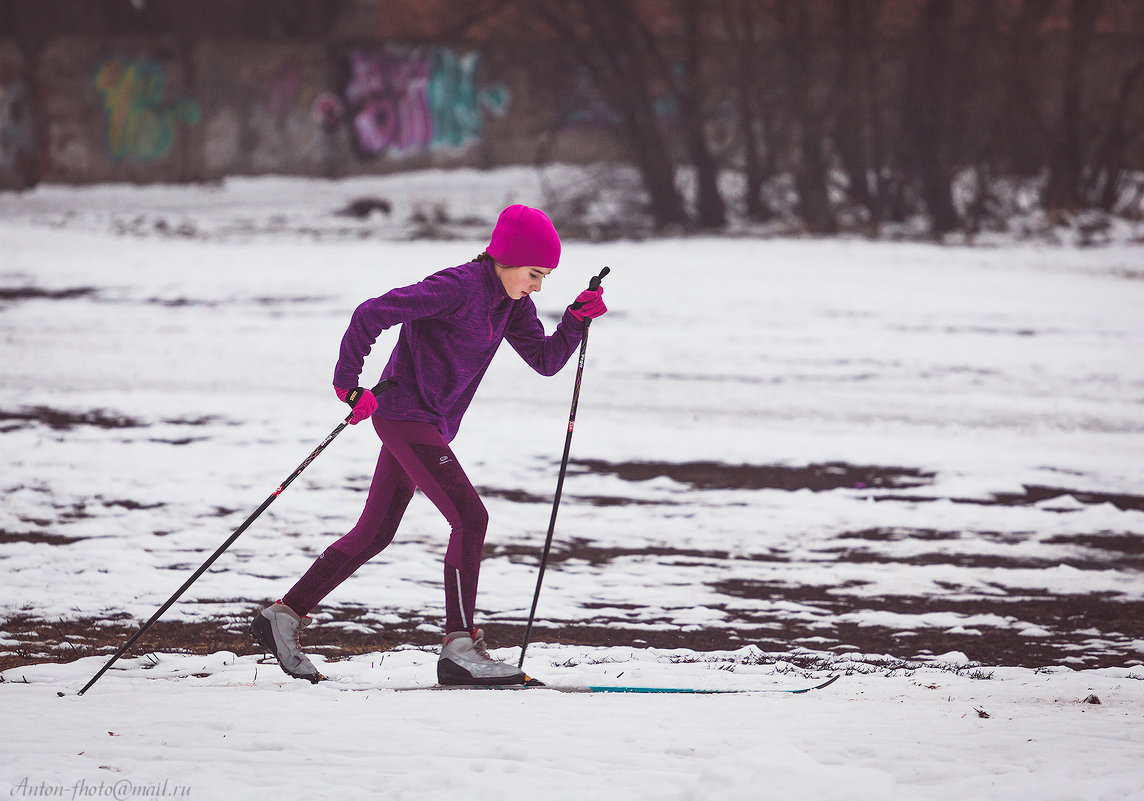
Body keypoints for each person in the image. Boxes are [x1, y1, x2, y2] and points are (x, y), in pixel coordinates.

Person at [251, 205, 607, 685]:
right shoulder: (457, 287)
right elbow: (372, 312)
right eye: (535, 274)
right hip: (403, 416)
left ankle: (284, 615)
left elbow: (544, 361)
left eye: (545, 278)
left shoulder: (511, 305)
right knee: (470, 517)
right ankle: (459, 647)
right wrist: (348, 385)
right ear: (507, 258)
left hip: (429, 425)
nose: (538, 286)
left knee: (374, 533)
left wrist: (574, 321)